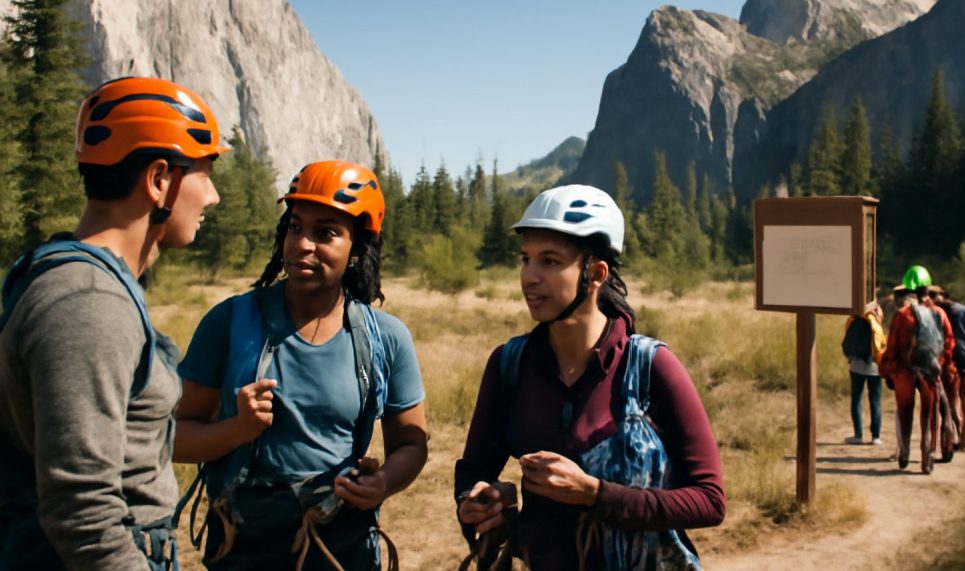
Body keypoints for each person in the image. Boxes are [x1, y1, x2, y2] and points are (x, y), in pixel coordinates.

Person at [0, 77, 227, 569]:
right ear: (159, 179)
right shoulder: (87, 303)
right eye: (205, 173)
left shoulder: (91, 286)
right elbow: (83, 513)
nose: (212, 196)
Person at [454, 185, 725, 570]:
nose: (529, 277)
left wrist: (595, 494)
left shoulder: (651, 367)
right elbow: (475, 467)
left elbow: (710, 501)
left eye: (549, 261)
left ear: (595, 273)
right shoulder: (509, 364)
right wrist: (478, 499)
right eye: (525, 259)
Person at [174, 160, 428, 570]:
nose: (302, 244)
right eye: (295, 227)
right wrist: (235, 430)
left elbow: (411, 446)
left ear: (357, 248)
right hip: (243, 549)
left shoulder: (386, 337)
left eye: (325, 232)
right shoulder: (230, 322)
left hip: (342, 548)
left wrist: (383, 483)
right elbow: (172, 438)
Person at [879, 265, 959, 474]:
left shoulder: (903, 315)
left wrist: (888, 371)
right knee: (930, 415)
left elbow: (893, 346)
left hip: (904, 372)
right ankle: (928, 457)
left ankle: (904, 451)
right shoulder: (939, 314)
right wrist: (944, 367)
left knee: (904, 412)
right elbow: (949, 345)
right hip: (930, 372)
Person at [929, 286, 965, 452]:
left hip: (964, 366)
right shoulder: (934, 314)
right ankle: (952, 438)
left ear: (943, 295)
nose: (932, 299)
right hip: (944, 365)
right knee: (947, 403)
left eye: (934, 295)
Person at [841, 302, 886, 445]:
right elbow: (881, 344)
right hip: (875, 367)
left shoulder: (854, 320)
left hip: (856, 365)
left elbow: (847, 343)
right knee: (875, 401)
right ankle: (876, 436)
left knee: (856, 400)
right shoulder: (875, 322)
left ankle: (858, 435)